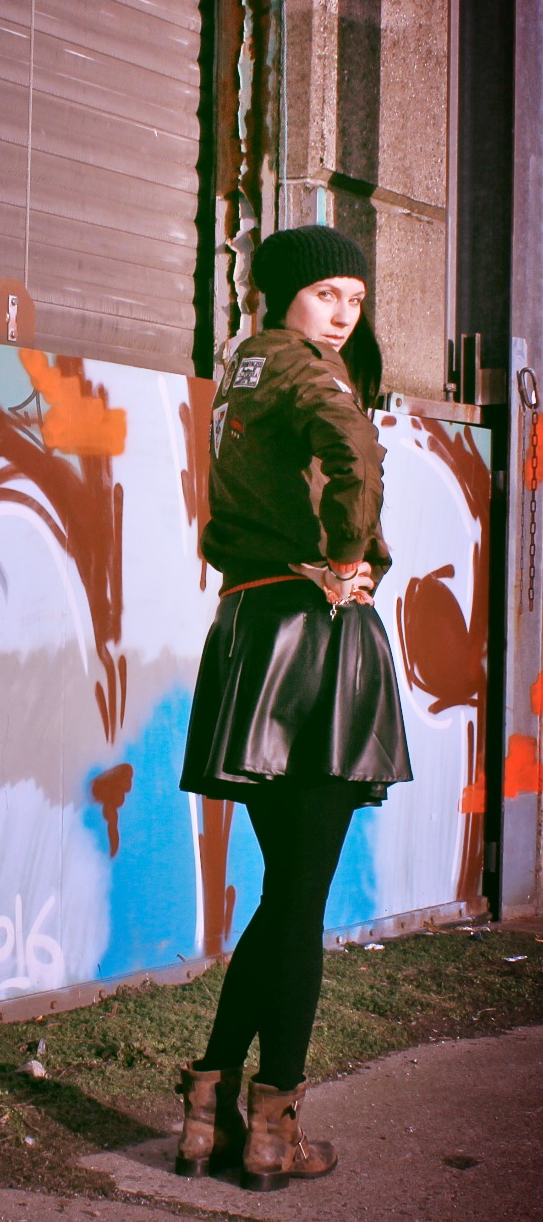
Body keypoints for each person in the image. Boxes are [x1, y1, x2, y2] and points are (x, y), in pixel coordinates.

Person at [176, 224, 412, 1193]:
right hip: (313, 637)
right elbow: (351, 450)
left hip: (248, 628)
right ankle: (271, 1132)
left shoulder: (240, 369)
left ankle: (206, 1105)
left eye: (354, 297)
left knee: (284, 895)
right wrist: (351, 555)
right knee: (300, 902)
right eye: (325, 293)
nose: (343, 312)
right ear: (280, 294)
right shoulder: (308, 368)